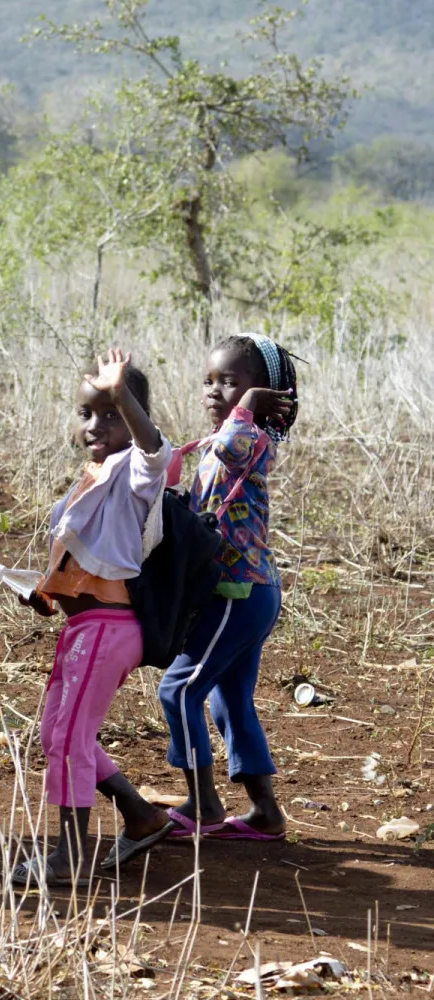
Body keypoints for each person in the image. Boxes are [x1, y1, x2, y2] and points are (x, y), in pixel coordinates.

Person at [11, 350, 176, 886]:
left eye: (109, 414)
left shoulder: (134, 471)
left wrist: (122, 394)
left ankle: (70, 857)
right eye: (86, 414)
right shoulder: (95, 475)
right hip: (84, 627)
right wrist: (46, 592)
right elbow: (83, 558)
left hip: (106, 630)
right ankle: (142, 814)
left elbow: (154, 450)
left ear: (132, 416)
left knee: (70, 740)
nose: (94, 426)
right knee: (57, 735)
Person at [158, 334, 298, 842]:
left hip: (238, 595)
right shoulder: (221, 441)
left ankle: (204, 804)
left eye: (230, 383)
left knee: (178, 689)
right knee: (228, 699)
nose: (214, 390)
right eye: (209, 380)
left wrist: (247, 408)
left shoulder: (250, 439)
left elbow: (232, 445)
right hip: (250, 593)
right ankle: (266, 813)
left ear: (259, 396)